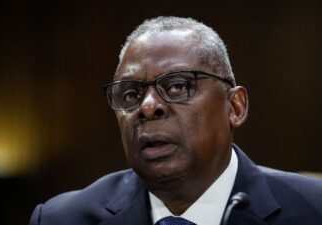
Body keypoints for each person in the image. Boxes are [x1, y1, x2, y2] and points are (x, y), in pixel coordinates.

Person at [30, 16, 322, 225]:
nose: (147, 107)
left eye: (178, 86)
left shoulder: (313, 210)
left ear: (235, 106)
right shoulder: (62, 218)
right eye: (131, 94)